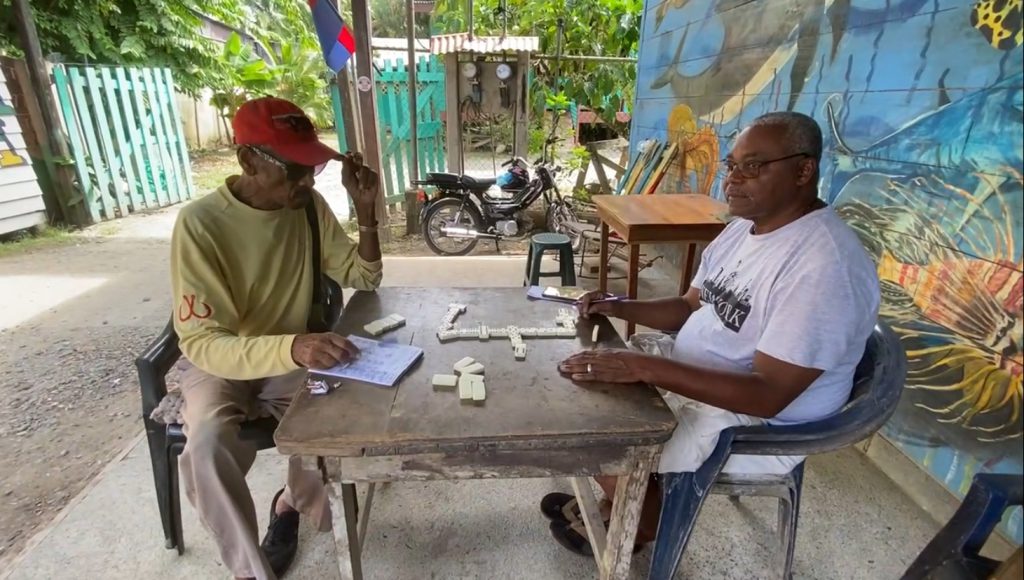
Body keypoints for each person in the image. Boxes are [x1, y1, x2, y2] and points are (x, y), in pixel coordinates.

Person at [542, 112, 881, 555]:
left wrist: (645, 367)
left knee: (602, 430)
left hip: (755, 423)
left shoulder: (823, 267)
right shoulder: (745, 227)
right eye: (732, 165)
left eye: (753, 166)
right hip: (702, 376)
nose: (734, 180)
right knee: (583, 387)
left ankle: (643, 523)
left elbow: (767, 395)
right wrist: (621, 305)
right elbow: (688, 307)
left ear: (803, 170)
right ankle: (623, 498)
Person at [170, 97, 383, 580]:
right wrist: (293, 345)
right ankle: (251, 570)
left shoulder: (307, 208)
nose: (307, 181)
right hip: (222, 360)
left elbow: (364, 278)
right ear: (248, 160)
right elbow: (202, 341)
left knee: (340, 415)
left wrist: (366, 213)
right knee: (205, 447)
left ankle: (290, 503)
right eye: (295, 169)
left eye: (312, 167)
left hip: (288, 357)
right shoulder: (201, 224)